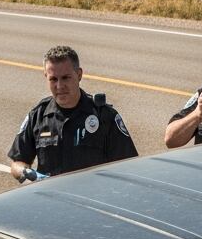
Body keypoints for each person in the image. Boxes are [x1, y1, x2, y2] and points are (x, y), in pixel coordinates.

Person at [8, 46, 138, 182]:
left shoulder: (104, 116)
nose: (59, 86)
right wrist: (26, 172)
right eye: (53, 79)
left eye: (65, 78)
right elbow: (18, 162)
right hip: (50, 198)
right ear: (46, 77)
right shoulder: (38, 116)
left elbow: (129, 166)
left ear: (79, 75)